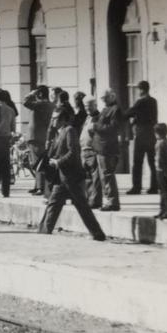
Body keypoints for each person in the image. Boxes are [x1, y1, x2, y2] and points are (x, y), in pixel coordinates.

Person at [37, 105, 107, 241]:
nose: (52, 122)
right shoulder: (59, 133)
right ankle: (44, 232)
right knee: (54, 203)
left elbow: (73, 153)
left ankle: (98, 234)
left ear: (63, 119)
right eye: (52, 119)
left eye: (55, 119)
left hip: (72, 177)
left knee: (82, 207)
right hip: (62, 177)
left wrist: (58, 162)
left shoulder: (69, 131)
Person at [126, 80, 159, 195]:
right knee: (152, 162)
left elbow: (128, 113)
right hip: (151, 134)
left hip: (141, 135)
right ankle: (154, 187)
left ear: (142, 90)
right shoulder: (154, 101)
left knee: (137, 162)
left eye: (139, 89)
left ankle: (136, 187)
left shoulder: (140, 102)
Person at [23, 86, 55, 196]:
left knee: (37, 162)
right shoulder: (49, 104)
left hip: (36, 137)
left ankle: (40, 187)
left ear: (40, 94)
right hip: (41, 136)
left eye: (37, 93)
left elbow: (25, 102)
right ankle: (38, 186)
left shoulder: (41, 104)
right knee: (38, 161)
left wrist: (32, 93)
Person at [95, 89, 123, 211]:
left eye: (105, 98)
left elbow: (113, 127)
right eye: (102, 98)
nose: (103, 100)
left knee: (107, 175)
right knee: (104, 176)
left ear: (112, 96)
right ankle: (108, 200)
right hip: (101, 147)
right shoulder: (106, 109)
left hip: (107, 147)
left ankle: (112, 202)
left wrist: (96, 127)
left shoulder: (115, 110)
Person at [80, 96, 103, 208]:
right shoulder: (88, 117)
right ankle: (90, 200)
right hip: (84, 150)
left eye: (89, 106)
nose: (87, 108)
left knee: (95, 178)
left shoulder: (98, 117)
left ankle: (95, 201)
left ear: (95, 105)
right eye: (85, 106)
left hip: (93, 150)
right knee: (88, 178)